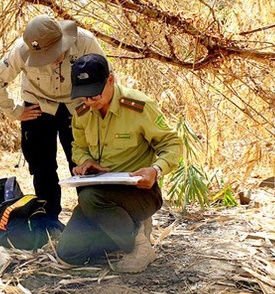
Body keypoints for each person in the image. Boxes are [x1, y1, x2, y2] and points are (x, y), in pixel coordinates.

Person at [56, 53, 182, 273]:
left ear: (111, 80)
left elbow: (172, 144)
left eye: (93, 95)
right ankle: (122, 230)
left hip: (140, 194)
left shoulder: (138, 106)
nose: (88, 102)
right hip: (99, 196)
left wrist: (155, 170)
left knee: (89, 198)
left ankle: (140, 247)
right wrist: (85, 162)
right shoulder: (83, 112)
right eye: (83, 96)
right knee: (70, 254)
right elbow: (79, 146)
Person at [0, 15, 105, 230]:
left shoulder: (85, 41)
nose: (52, 60)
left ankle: (91, 218)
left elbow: (106, 76)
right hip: (37, 108)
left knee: (81, 164)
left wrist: (91, 105)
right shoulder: (20, 52)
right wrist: (14, 111)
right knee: (42, 167)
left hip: (75, 107)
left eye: (54, 53)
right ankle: (48, 222)